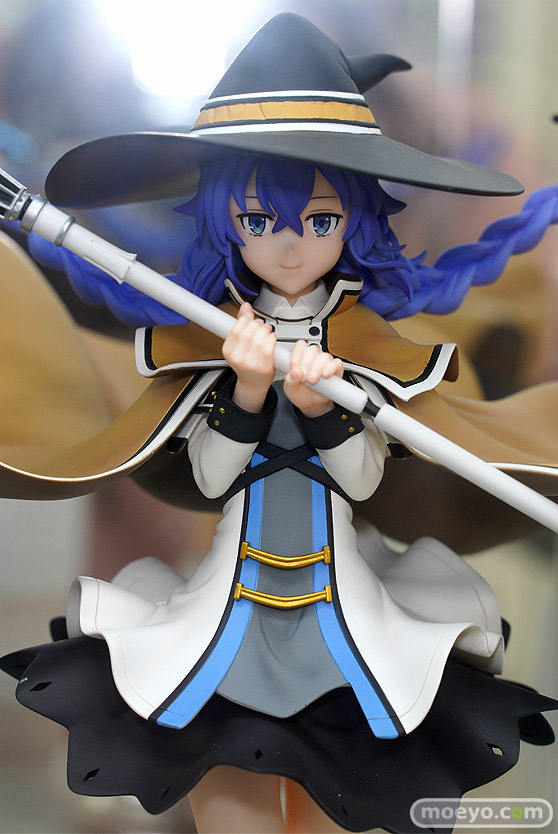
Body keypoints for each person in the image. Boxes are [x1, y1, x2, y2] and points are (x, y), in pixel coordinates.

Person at [2, 14, 558, 834]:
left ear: (355, 220)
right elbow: (211, 477)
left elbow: (365, 479)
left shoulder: (365, 340)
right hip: (232, 604)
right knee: (229, 796)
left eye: (320, 222)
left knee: (348, 789)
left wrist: (325, 412)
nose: (291, 248)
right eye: (261, 222)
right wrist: (249, 393)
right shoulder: (214, 336)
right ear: (225, 218)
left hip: (343, 604)